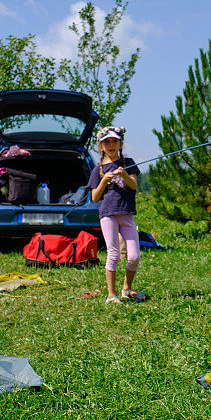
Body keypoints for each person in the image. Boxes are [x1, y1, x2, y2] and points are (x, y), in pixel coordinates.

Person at [87, 126, 142, 304]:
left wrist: (124, 175)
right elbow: (95, 197)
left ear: (120, 144)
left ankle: (127, 288)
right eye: (106, 142)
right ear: (101, 146)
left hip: (126, 213)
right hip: (107, 214)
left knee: (134, 256)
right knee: (114, 254)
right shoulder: (98, 170)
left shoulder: (129, 163)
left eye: (114, 141)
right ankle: (111, 295)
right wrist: (103, 180)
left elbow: (133, 186)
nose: (111, 145)